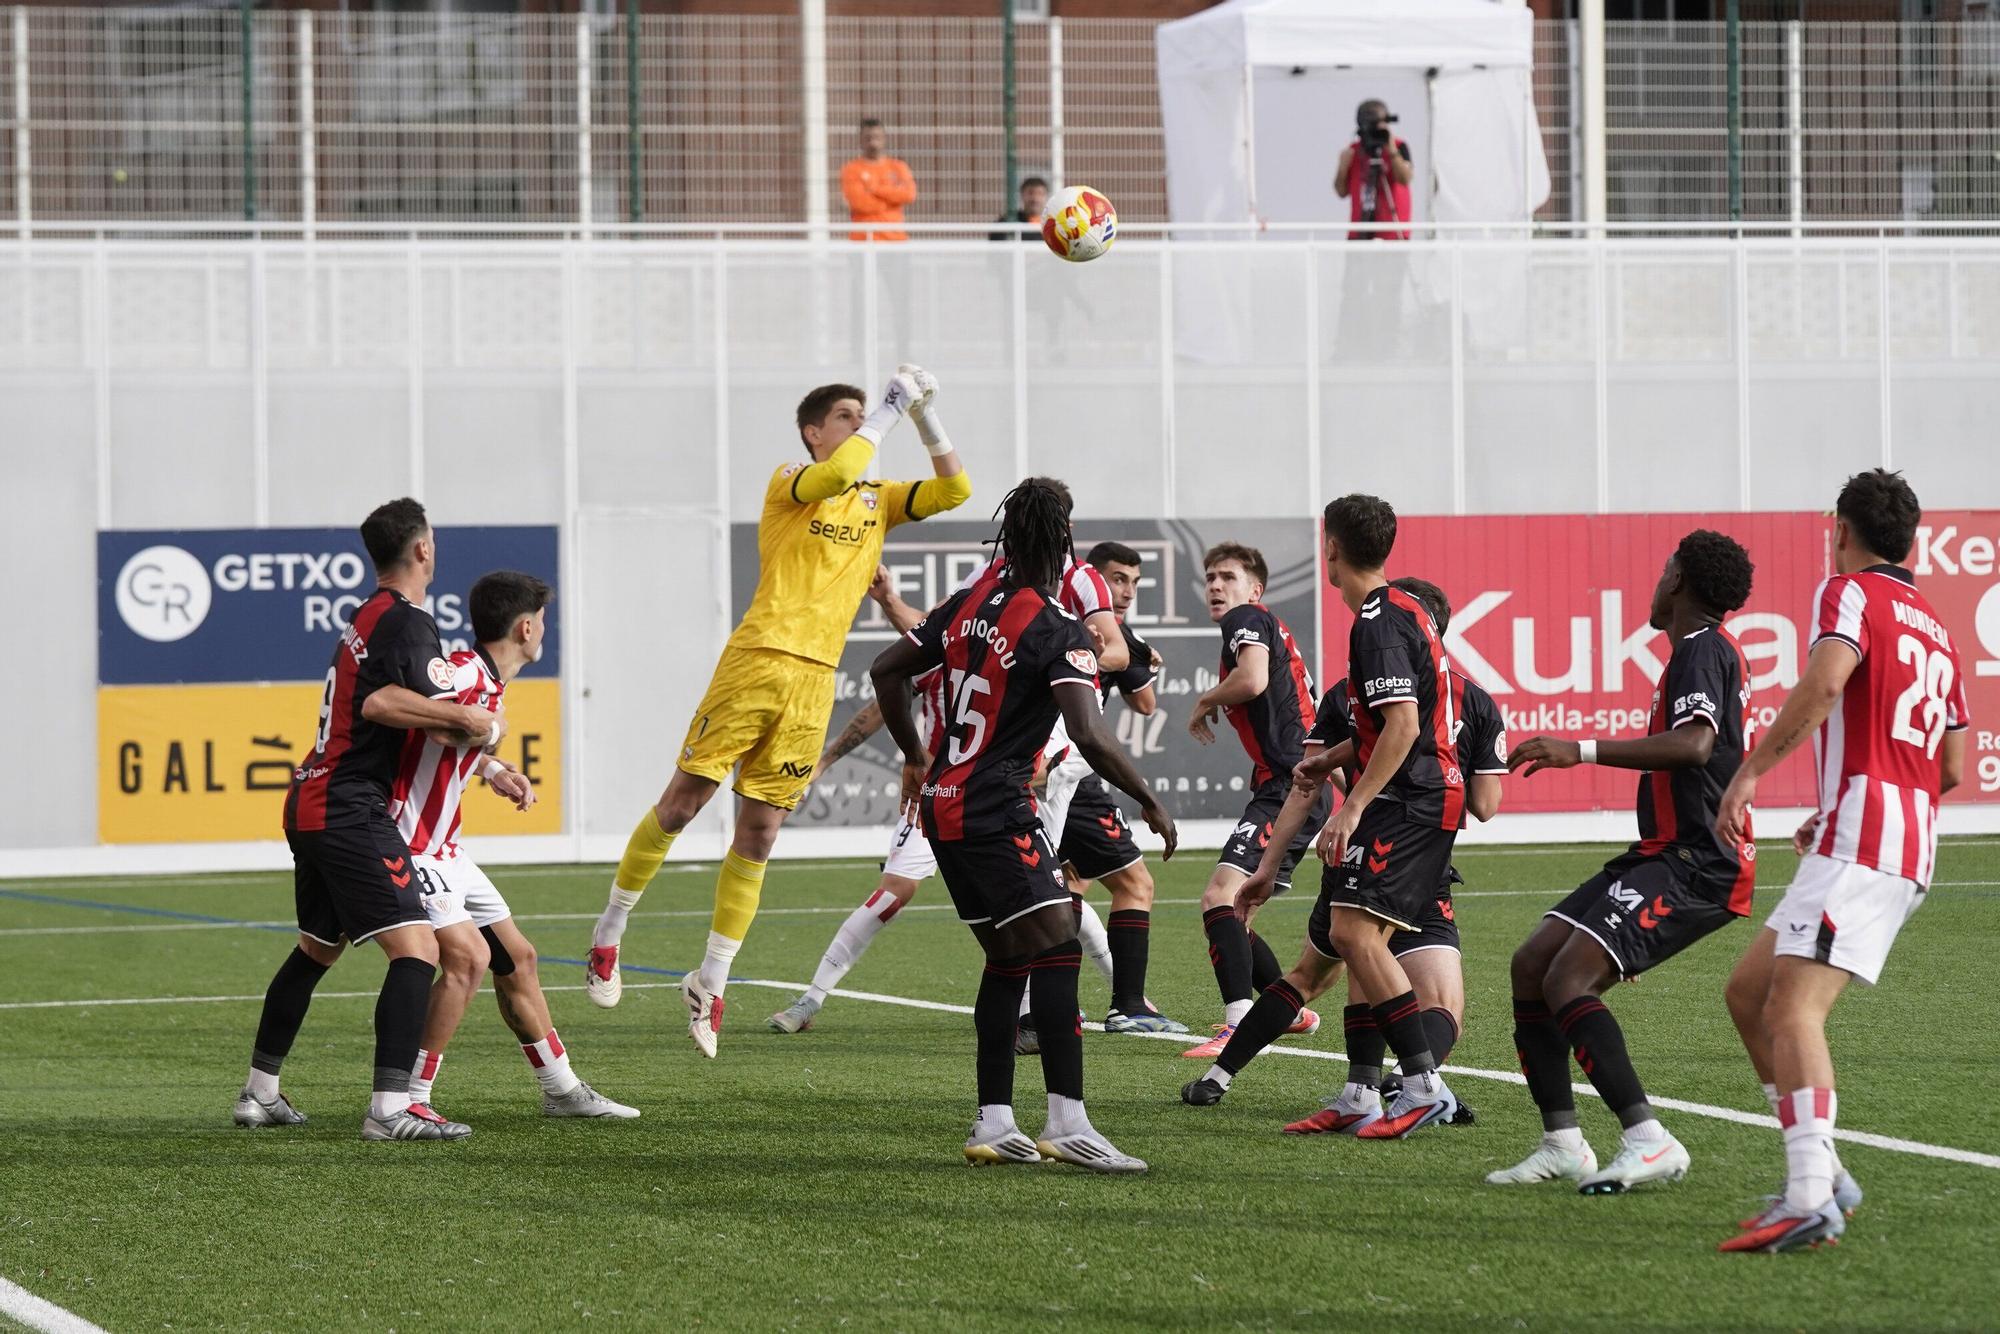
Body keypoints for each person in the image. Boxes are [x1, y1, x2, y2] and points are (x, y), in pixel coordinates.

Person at [585, 367, 972, 1060]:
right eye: (847, 415)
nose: (860, 422)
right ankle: (609, 931)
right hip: (758, 660)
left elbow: (956, 489)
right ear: (813, 432)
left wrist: (924, 415)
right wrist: (888, 410)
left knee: (760, 834)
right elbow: (838, 472)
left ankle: (709, 979)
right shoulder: (792, 480)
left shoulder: (878, 498)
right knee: (682, 804)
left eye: (864, 413)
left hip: (815, 680)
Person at [870, 479, 1179, 1173]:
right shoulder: (1056, 628)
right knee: (1059, 939)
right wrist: (1149, 799)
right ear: (1065, 541)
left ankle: (994, 1122)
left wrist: (916, 757)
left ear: (1007, 535)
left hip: (944, 806)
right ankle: (1068, 1122)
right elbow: (1089, 732)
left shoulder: (967, 603)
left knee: (1010, 957)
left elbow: (885, 669)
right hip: (996, 808)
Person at [1715, 470, 1968, 1255]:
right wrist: (1848, 803)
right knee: (1749, 993)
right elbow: (1952, 766)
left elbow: (1825, 684)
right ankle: (1825, 1173)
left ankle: (1807, 1199)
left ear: (1843, 532)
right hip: (1901, 834)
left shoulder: (1848, 592)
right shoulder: (1937, 625)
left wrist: (1750, 774)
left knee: (1794, 1009)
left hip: (1868, 836)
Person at [1181, 578, 1505, 1133]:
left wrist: (1271, 863)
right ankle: (1418, 1086)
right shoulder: (1475, 701)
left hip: (1355, 852)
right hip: (1418, 857)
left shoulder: (1349, 693)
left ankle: (1239, 1077)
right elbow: (1485, 805)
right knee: (1439, 1001)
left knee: (1319, 972)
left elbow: (1305, 782)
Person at [1489, 529, 1757, 1192]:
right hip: (1661, 854)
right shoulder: (1700, 651)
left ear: (1679, 581)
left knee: (1568, 980)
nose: (1656, 582)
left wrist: (1578, 749)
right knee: (1532, 964)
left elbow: (1695, 745)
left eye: (1665, 569)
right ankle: (1562, 1144)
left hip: (1699, 862)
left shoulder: (1702, 648)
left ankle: (1648, 1139)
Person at [233, 497, 501, 1142]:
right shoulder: (408, 620)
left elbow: (387, 706)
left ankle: (259, 1093)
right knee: (419, 950)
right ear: (423, 548)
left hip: (313, 797)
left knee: (315, 950)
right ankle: (390, 1109)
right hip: (349, 805)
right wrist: (470, 720)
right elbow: (384, 704)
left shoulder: (368, 614)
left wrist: (487, 763)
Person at [394, 571, 637, 1123]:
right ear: (526, 628)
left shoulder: (486, 681)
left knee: (518, 958)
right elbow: (421, 719)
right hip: (409, 845)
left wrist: (491, 767)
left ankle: (561, 1089)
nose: (544, 630)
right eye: (543, 621)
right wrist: (491, 733)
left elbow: (448, 739)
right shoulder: (461, 671)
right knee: (466, 960)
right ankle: (408, 1098)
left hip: (446, 849)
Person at [1180, 542, 1328, 1061]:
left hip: (1292, 786)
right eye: (1210, 578)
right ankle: (1285, 1011)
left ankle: (1239, 1025)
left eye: (1228, 577)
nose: (1216, 586)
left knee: (1219, 897)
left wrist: (1205, 698)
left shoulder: (1246, 618)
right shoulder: (1265, 624)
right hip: (1292, 784)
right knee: (1236, 907)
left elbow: (1253, 679)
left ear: (1254, 589)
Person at [1057, 541, 1186, 1034]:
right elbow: (1118, 671)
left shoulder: (1117, 632)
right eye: (1117, 579)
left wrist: (1137, 658)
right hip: (1070, 765)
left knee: (1066, 885)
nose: (1126, 591)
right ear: (1091, 578)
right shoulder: (1084, 625)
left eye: (1134, 582)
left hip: (1051, 764)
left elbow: (1145, 702)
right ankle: (1129, 1006)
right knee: (1135, 884)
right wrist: (1110, 652)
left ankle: (1051, 1003)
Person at [1335, 99, 1414, 242]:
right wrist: (1342, 167)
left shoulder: (1399, 146)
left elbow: (1405, 179)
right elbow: (1341, 192)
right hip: (1360, 234)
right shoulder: (1353, 151)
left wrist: (1391, 150)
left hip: (1393, 235)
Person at [841, 118, 917, 242]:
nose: (873, 142)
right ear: (860, 140)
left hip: (895, 239)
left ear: (884, 138)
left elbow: (909, 195)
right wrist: (892, 203)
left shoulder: (898, 167)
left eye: (877, 137)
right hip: (863, 240)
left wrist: (873, 189)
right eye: (868, 138)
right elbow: (859, 203)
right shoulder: (852, 169)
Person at [990, 176, 1049, 242]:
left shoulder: (1052, 223)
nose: (1035, 199)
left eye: (1040, 194)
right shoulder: (1009, 221)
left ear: (1046, 196)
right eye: (1030, 193)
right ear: (1022, 195)